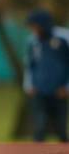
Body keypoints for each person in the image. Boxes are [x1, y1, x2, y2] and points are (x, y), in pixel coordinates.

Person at [24, 9, 69, 142]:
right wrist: (29, 85)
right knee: (39, 126)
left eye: (34, 26)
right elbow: (30, 65)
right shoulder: (33, 42)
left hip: (59, 91)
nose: (32, 29)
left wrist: (66, 87)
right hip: (39, 91)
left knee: (61, 128)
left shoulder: (62, 40)